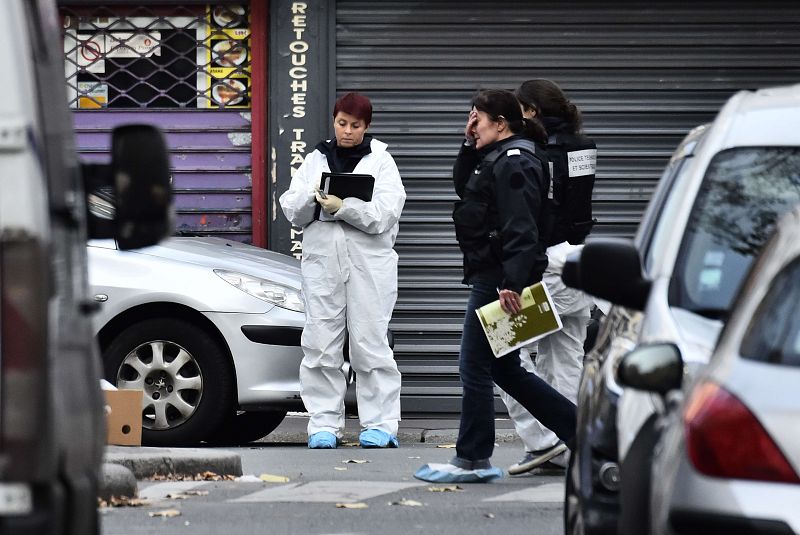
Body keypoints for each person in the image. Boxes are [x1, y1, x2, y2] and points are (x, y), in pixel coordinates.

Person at [414, 89, 577, 483]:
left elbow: (522, 229)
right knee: (506, 370)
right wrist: (468, 143)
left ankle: (472, 458)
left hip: (498, 280)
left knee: (474, 365)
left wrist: (512, 284)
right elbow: (463, 188)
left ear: (500, 123)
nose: (473, 125)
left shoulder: (516, 162)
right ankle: (585, 433)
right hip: (497, 274)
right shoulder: (499, 158)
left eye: (478, 119)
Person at [279, 92, 406, 449]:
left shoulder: (381, 162)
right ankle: (323, 424)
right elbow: (291, 207)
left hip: (370, 265)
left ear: (367, 127)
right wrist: (312, 198)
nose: (347, 131)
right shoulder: (316, 158)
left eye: (355, 125)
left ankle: (380, 424)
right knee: (320, 344)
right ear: (333, 121)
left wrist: (344, 207)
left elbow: (384, 215)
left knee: (370, 343)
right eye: (342, 123)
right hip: (322, 265)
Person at [502, 79, 597, 475]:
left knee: (500, 349)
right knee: (565, 358)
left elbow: (537, 214)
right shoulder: (582, 146)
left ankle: (543, 441)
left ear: (531, 112)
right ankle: (573, 445)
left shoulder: (539, 151)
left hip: (547, 268)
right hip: (578, 265)